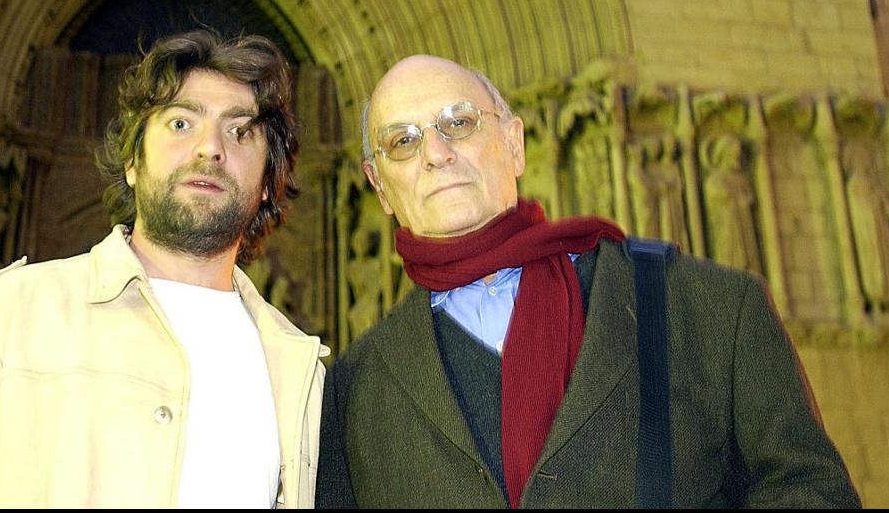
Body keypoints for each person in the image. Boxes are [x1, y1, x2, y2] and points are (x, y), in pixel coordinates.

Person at [317, 54, 859, 508]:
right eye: (402, 142)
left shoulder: (709, 306)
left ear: (514, 143)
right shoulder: (349, 393)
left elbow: (810, 491)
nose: (436, 153)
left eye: (458, 122)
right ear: (380, 187)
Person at [0, 31, 327, 508]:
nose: (210, 147)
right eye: (180, 123)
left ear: (266, 182)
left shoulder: (298, 374)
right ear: (132, 161)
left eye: (240, 131)